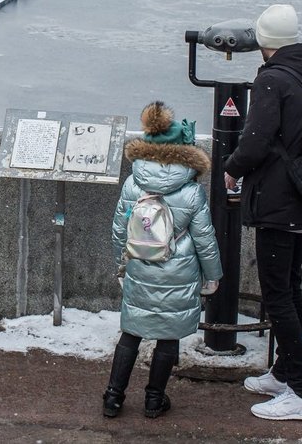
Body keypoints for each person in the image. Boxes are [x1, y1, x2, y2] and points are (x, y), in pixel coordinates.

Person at [223, 3, 302, 421]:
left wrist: (232, 169)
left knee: (277, 295)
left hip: (277, 202)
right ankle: (283, 372)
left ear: (263, 41)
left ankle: (301, 393)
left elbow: (256, 139)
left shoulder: (272, 80)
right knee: (291, 287)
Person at [104, 101, 222, 419]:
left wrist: (122, 264)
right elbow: (204, 239)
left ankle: (113, 397)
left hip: (140, 267)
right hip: (179, 273)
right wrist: (212, 277)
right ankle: (154, 400)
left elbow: (119, 229)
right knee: (168, 337)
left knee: (131, 333)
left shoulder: (133, 182)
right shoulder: (191, 191)